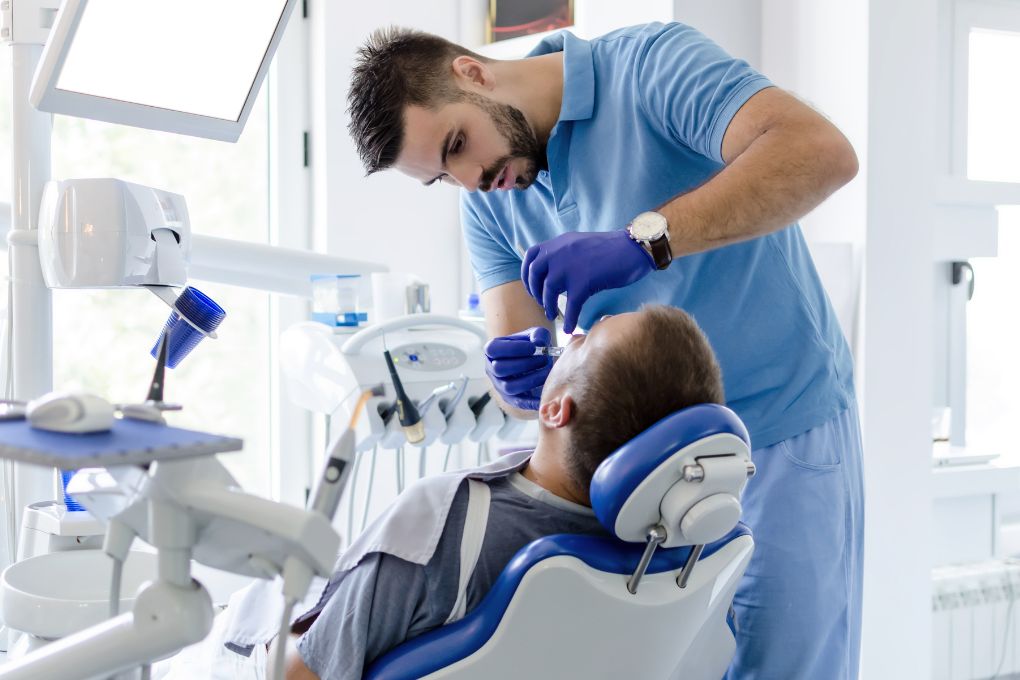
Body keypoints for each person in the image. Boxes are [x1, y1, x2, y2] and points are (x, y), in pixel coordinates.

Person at [346, 22, 864, 680]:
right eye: (444, 176)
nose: (473, 179)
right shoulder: (489, 197)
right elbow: (515, 343)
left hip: (780, 433)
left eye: (458, 144)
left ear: (472, 73)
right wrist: (515, 377)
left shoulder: (650, 68)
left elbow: (821, 154)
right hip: (636, 478)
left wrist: (646, 240)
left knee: (785, 666)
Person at [276, 306, 724, 678]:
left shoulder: (441, 522)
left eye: (586, 339)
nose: (576, 332)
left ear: (554, 410)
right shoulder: (688, 553)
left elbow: (307, 672)